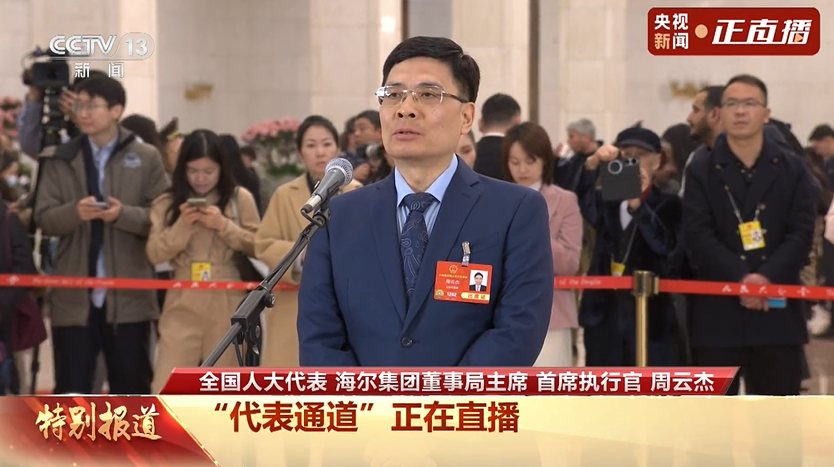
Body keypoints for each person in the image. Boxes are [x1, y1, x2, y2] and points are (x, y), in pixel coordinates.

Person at [297, 36, 554, 369]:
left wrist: (441, 394)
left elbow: (519, 330)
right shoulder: (339, 216)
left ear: (466, 117)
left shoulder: (515, 210)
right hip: (362, 402)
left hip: (467, 400)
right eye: (393, 95)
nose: (405, 108)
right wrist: (367, 398)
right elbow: (319, 335)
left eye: (428, 94)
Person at [33, 76, 169, 394]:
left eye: (92, 106)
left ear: (116, 110)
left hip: (130, 297)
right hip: (74, 298)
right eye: (79, 105)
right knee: (72, 391)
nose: (83, 113)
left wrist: (123, 215)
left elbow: (163, 218)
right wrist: (74, 213)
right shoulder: (59, 158)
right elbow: (44, 219)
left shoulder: (146, 157)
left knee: (132, 389)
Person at [683, 74, 817, 396]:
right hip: (718, 314)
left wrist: (765, 278)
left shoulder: (792, 169)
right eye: (732, 104)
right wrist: (743, 279)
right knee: (715, 419)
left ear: (766, 113)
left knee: (777, 418)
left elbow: (801, 233)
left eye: (749, 103)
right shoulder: (701, 169)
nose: (740, 111)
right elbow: (697, 234)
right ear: (719, 114)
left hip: (777, 313)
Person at [146, 130, 260, 393]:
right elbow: (154, 253)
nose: (200, 178)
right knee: (166, 385)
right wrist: (182, 226)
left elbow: (258, 245)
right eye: (193, 170)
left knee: (224, 388)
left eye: (208, 171)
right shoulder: (167, 202)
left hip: (228, 298)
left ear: (221, 168)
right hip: (182, 297)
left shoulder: (239, 198)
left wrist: (224, 225)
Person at [254, 115, 361, 367]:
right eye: (311, 145)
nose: (319, 152)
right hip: (293, 305)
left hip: (346, 306)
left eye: (326, 144)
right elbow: (264, 243)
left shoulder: (359, 193)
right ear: (300, 152)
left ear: (338, 148)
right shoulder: (284, 194)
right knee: (288, 377)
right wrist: (300, 255)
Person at [578, 127, 683, 367]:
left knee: (648, 383)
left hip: (650, 316)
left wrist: (638, 206)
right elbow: (583, 201)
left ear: (657, 161)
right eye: (625, 154)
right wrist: (592, 164)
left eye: (640, 155)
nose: (633, 161)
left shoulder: (669, 202)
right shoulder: (608, 200)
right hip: (604, 312)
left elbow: (665, 245)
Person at [501, 122, 583, 367]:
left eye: (530, 161)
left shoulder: (565, 201)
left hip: (552, 315)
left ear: (545, 161)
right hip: (502, 314)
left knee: (549, 386)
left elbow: (570, 263)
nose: (522, 169)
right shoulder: (496, 199)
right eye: (515, 162)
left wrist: (534, 228)